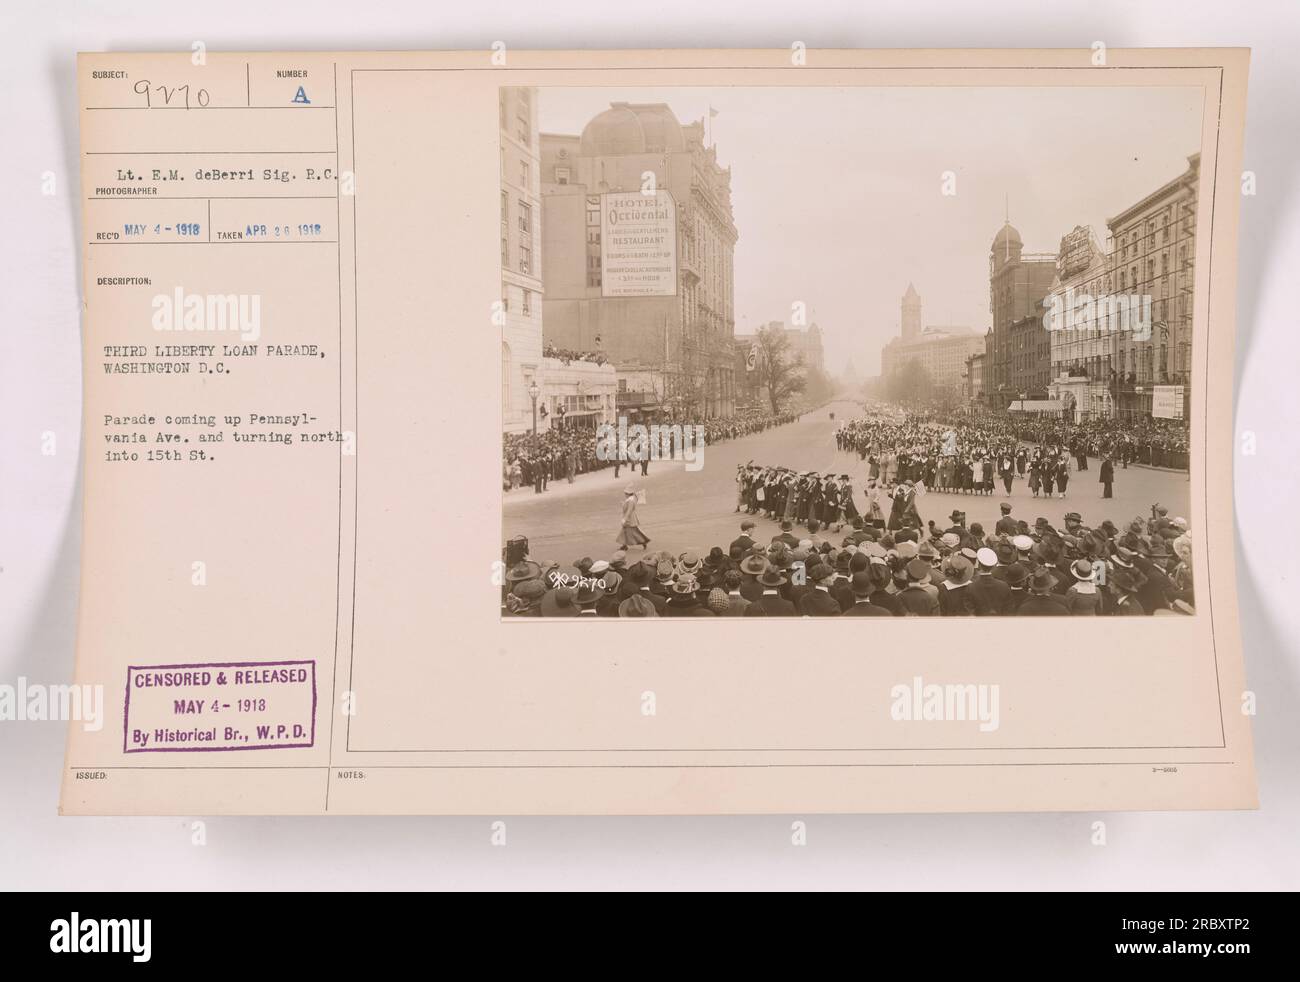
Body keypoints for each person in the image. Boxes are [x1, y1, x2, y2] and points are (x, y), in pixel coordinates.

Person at [616, 485, 650, 551]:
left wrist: (624, 519)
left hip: (630, 519)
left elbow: (629, 511)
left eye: (625, 493)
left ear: (628, 494)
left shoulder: (630, 501)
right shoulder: (631, 499)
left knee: (633, 533)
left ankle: (643, 541)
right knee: (626, 532)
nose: (625, 494)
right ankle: (625, 545)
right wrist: (623, 504)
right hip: (630, 519)